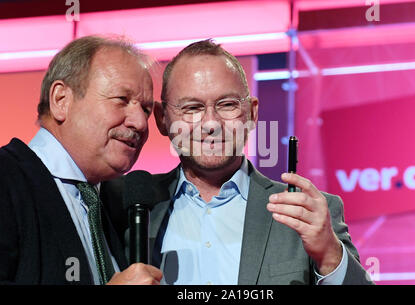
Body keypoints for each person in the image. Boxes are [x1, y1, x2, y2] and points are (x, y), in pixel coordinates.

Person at [104, 39, 374, 285]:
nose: (211, 123)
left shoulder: (307, 213)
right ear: (163, 119)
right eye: (192, 108)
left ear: (252, 113)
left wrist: (329, 256)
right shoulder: (122, 204)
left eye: (227, 105)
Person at [0, 36, 162, 285]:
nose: (140, 123)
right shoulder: (7, 179)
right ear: (61, 100)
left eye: (146, 110)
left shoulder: (110, 203)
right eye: (121, 99)